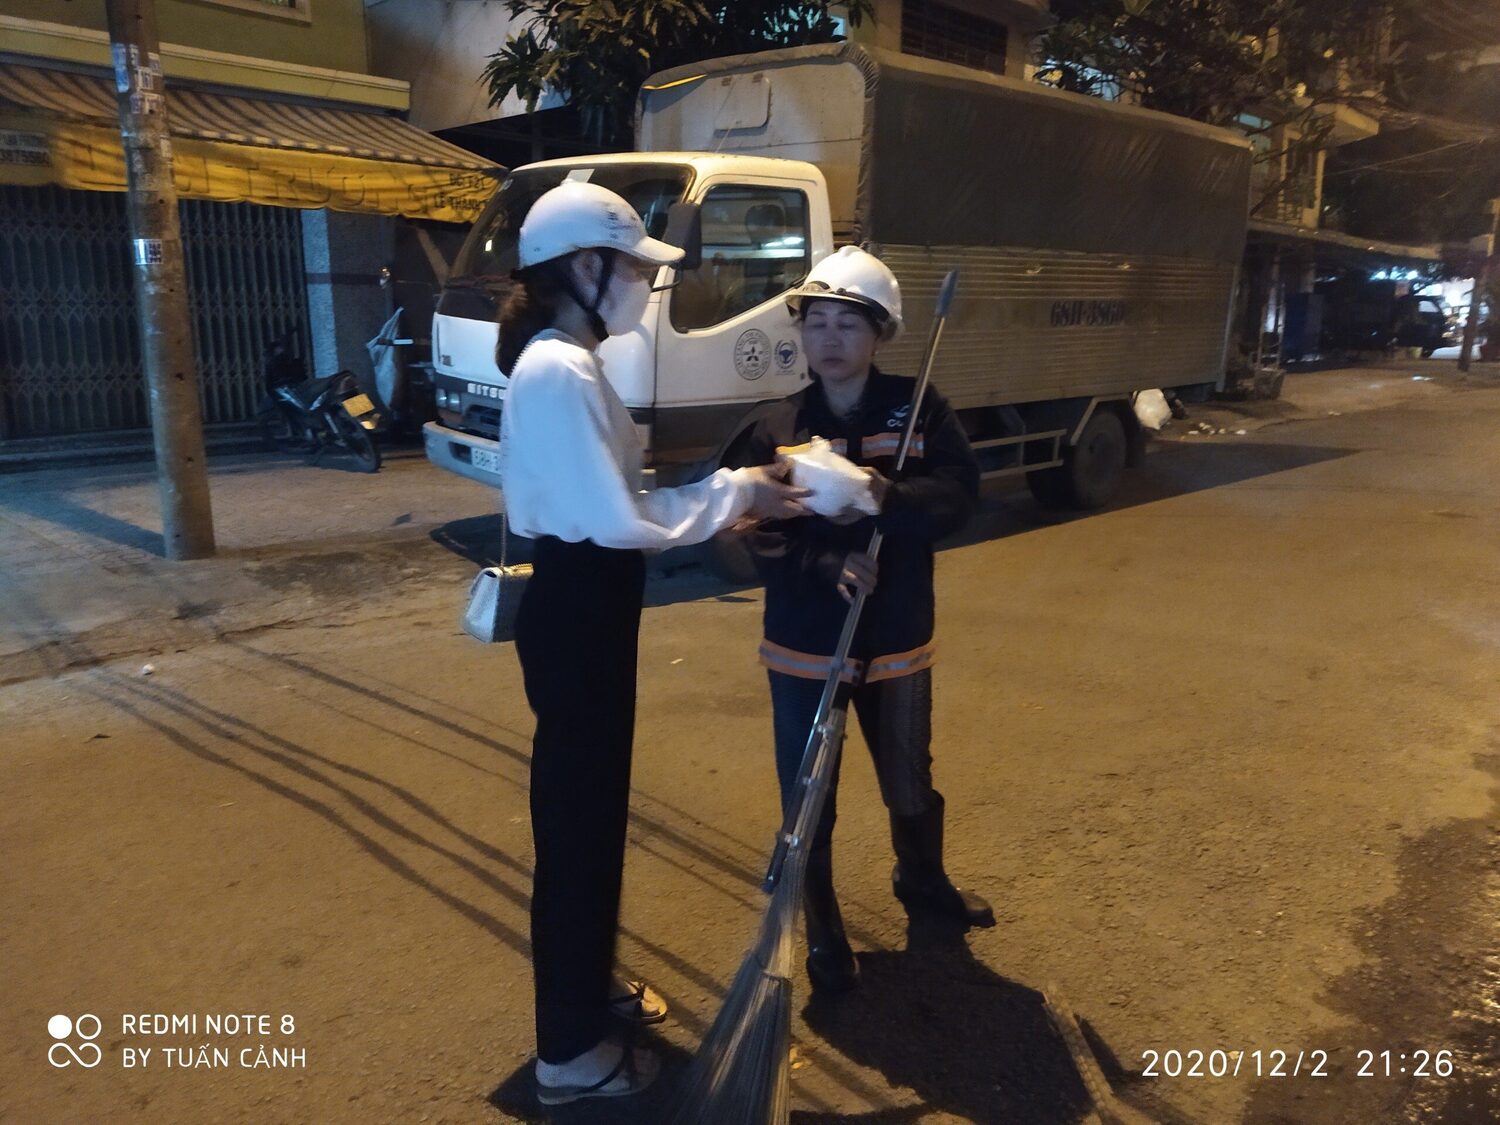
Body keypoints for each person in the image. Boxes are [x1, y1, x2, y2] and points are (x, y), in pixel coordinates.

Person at [496, 181, 809, 1105]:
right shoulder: (560, 370)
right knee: (578, 827)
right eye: (634, 266)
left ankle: (586, 990)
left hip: (588, 603)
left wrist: (727, 494)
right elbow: (620, 519)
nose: (645, 281)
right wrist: (740, 491)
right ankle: (569, 1055)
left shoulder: (569, 362)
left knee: (590, 817)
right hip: (581, 605)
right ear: (584, 269)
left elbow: (619, 507)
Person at [739, 246, 995, 993]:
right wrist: (827, 564)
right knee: (810, 788)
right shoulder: (776, 427)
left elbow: (960, 497)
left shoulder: (919, 410)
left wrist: (889, 496)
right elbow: (753, 531)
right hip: (805, 644)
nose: (829, 338)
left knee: (909, 779)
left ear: (879, 332)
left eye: (847, 323)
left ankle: (922, 879)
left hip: (898, 636)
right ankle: (823, 924)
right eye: (816, 321)